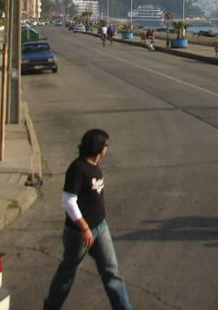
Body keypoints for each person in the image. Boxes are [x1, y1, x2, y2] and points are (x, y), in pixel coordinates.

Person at [43, 129, 132, 310]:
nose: (108, 148)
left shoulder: (94, 164)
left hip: (100, 227)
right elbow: (68, 201)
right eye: (106, 144)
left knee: (111, 272)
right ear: (99, 147)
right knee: (67, 272)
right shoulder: (78, 168)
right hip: (80, 234)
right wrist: (84, 228)